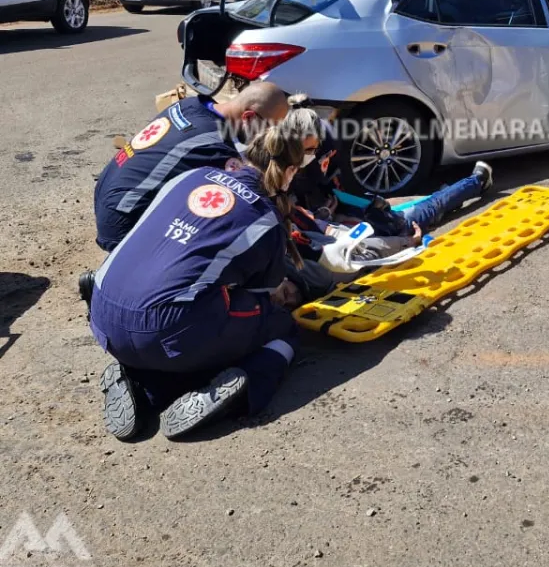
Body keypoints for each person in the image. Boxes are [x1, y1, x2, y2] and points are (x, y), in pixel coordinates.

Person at [89, 108, 323, 441]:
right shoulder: (264, 219)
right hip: (161, 330)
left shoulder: (191, 177)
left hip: (103, 309)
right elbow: (263, 295)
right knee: (280, 327)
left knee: (198, 311)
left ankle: (144, 384)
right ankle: (243, 386)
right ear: (288, 172)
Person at [93, 81, 292, 252]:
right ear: (248, 117)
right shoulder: (216, 147)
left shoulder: (190, 105)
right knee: (220, 222)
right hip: (121, 223)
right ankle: (127, 270)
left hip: (107, 195)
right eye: (268, 128)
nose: (267, 137)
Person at [300, 162, 493, 275]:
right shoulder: (314, 249)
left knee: (425, 207)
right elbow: (369, 247)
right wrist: (408, 242)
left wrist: (325, 212)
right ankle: (479, 181)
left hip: (362, 222)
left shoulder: (299, 226)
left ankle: (456, 195)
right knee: (432, 205)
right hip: (383, 231)